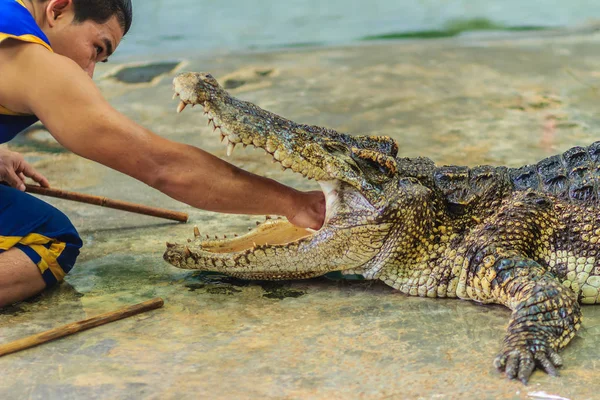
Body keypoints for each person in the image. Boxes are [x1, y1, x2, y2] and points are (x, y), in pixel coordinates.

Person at [0, 0, 326, 307]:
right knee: (51, 239)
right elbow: (164, 167)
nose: (88, 72)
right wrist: (294, 203)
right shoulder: (39, 65)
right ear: (58, 8)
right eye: (96, 49)